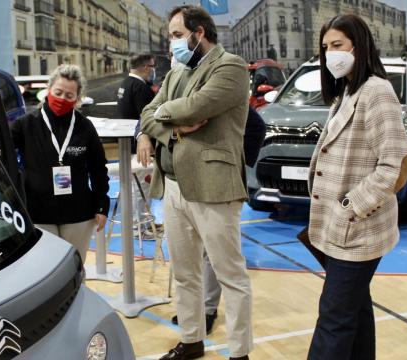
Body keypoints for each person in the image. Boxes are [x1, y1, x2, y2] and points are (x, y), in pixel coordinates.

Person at [140, 5, 252, 360]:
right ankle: (191, 341)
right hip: (173, 186)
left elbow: (196, 107)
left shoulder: (230, 67)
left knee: (230, 276)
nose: (171, 42)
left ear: (198, 33)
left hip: (214, 186)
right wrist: (169, 124)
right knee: (185, 272)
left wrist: (167, 115)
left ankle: (240, 352)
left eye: (176, 35)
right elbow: (147, 113)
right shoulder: (176, 73)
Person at [307, 14, 407, 359]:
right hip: (340, 231)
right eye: (325, 48)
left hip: (357, 230)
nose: (330, 54)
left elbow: (392, 165)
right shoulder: (348, 90)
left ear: (359, 44)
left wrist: (349, 207)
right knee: (355, 312)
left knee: (334, 319)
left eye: (337, 45)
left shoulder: (377, 91)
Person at [170, 105, 266, 334]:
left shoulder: (220, 92)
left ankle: (208, 309)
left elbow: (256, 126)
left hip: (217, 184)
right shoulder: (179, 89)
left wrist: (235, 164)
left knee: (213, 256)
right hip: (185, 180)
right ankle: (195, 313)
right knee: (189, 258)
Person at [10, 64, 109, 263]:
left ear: (78, 98)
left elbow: (98, 167)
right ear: (48, 89)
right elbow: (0, 149)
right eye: (58, 92)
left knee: (75, 266)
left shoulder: (84, 127)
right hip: (37, 211)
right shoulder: (25, 124)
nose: (62, 99)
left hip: (78, 214)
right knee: (44, 269)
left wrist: (101, 205)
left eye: (69, 95)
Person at [116, 54, 159, 234]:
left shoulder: (124, 84)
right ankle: (141, 226)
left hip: (129, 145)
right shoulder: (141, 88)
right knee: (143, 187)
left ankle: (139, 224)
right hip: (141, 147)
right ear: (145, 67)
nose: (152, 70)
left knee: (136, 187)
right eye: (151, 66)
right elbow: (147, 118)